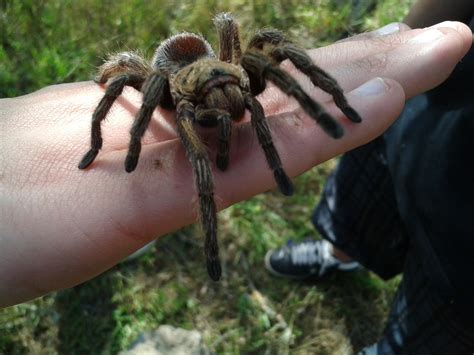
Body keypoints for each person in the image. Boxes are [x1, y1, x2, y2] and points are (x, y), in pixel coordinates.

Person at [0, 19, 471, 311]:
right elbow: (125, 80)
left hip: (212, 65)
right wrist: (117, 141)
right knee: (129, 74)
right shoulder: (173, 99)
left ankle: (329, 106)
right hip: (178, 81)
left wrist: (328, 102)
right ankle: (211, 256)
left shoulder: (239, 70)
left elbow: (268, 51)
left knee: (274, 47)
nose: (236, 107)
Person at [265, 1, 474, 353]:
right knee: (371, 180)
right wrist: (398, 45)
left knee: (439, 319)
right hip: (435, 103)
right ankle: (340, 253)